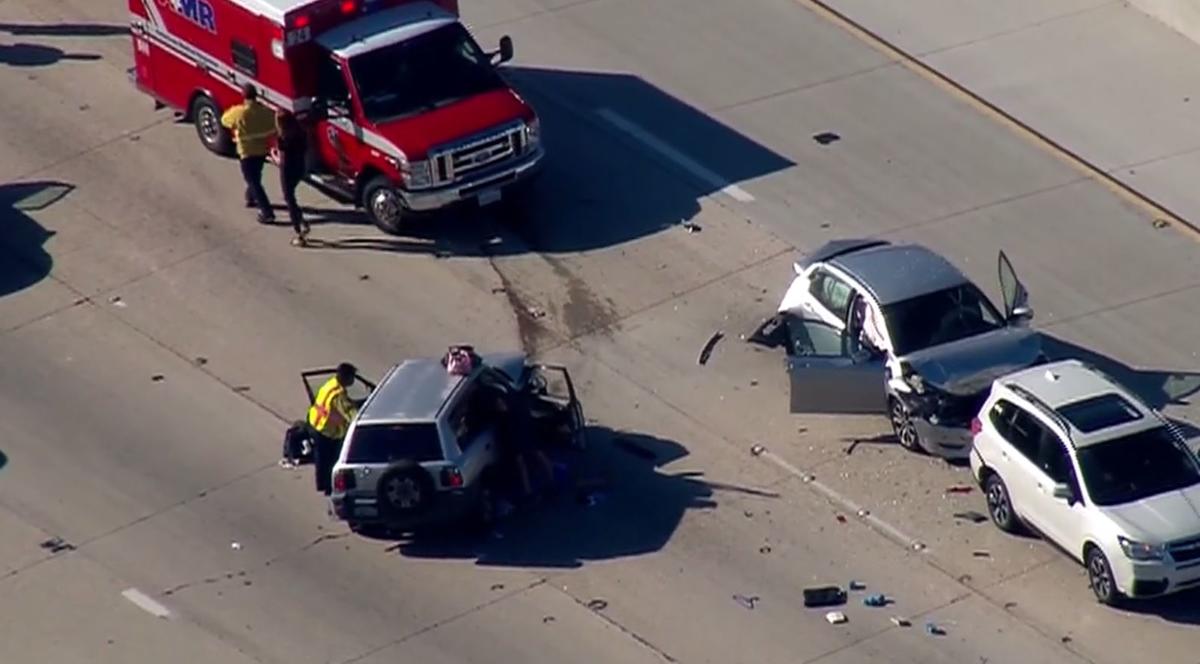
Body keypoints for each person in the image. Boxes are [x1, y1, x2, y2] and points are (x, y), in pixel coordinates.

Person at [221, 83, 277, 224]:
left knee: (253, 181)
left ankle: (267, 212)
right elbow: (274, 124)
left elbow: (224, 120)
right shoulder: (265, 112)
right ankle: (250, 197)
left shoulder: (239, 113)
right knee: (255, 177)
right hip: (261, 152)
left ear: (243, 96)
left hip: (246, 153)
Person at [491, 387, 555, 502]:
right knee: (524, 462)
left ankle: (550, 481)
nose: (499, 407)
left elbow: (517, 427)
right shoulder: (508, 413)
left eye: (500, 404)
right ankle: (530, 491)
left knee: (538, 456)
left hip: (524, 436)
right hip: (519, 440)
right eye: (497, 405)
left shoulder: (512, 414)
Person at [307, 363, 359, 495]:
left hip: (316, 425)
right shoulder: (339, 395)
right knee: (333, 461)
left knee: (321, 460)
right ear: (346, 378)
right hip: (328, 432)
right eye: (352, 377)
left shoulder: (331, 384)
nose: (353, 380)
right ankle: (330, 487)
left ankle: (322, 484)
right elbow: (351, 414)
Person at [274, 108, 311, 246]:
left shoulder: (282, 138)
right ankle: (300, 220)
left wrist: (274, 155)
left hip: (287, 170)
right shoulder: (300, 132)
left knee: (289, 199)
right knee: (292, 197)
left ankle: (299, 231)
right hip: (300, 167)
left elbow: (282, 157)